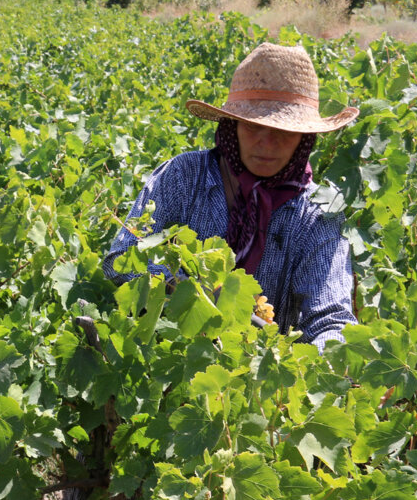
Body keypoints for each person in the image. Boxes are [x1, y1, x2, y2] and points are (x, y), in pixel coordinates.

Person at [102, 42, 360, 349]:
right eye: (253, 127)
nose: (267, 143)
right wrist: (191, 293)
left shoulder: (319, 214)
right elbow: (121, 258)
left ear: (304, 139)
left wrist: (326, 357)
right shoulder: (184, 176)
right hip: (164, 355)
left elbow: (331, 320)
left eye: (284, 131)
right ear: (232, 126)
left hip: (261, 379)